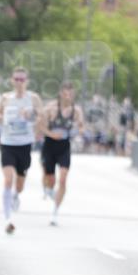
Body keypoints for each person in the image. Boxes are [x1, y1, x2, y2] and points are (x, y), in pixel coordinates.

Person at [0, 68, 43, 234]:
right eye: (16, 79)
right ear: (12, 80)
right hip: (8, 143)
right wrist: (2, 118)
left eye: (22, 79)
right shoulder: (6, 98)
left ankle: (15, 195)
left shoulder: (33, 98)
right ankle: (8, 219)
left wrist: (30, 115)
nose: (19, 82)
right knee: (8, 179)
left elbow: (41, 116)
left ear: (27, 81)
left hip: (25, 144)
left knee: (20, 184)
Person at [39, 83, 84, 226]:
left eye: (71, 94)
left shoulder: (76, 110)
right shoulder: (51, 108)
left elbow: (81, 126)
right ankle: (48, 189)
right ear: (60, 94)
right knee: (50, 179)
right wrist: (52, 134)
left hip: (64, 146)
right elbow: (41, 126)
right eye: (66, 94)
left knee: (63, 179)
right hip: (50, 145)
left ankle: (55, 212)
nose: (68, 97)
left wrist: (79, 131)